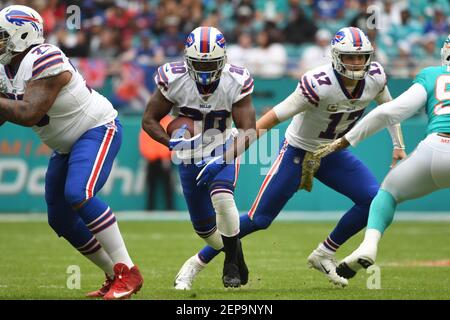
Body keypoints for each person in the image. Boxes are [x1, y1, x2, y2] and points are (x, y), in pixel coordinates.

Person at [174, 27, 406, 289]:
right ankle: (196, 262)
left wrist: (398, 145)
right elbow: (270, 119)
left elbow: (389, 110)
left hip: (332, 152)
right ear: (335, 56)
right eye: (349, 57)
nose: (356, 63)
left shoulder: (375, 78)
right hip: (297, 151)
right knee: (258, 219)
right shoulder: (318, 83)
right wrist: (228, 156)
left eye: (361, 57)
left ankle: (324, 253)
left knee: (373, 200)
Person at [0, 5, 142, 300]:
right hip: (65, 145)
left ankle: (128, 271)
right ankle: (112, 272)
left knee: (80, 193)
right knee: (60, 219)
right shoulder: (5, 68)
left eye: (3, 36)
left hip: (97, 128)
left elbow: (28, 113)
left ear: (23, 34)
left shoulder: (45, 58)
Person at [313, 34, 450, 280]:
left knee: (386, 194)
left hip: (436, 147)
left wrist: (346, 140)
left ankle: (368, 246)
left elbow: (389, 111)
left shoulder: (433, 75)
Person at [142, 26, 256, 288]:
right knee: (204, 230)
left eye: (212, 64)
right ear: (187, 59)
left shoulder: (235, 80)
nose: (204, 72)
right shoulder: (173, 78)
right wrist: (172, 143)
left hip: (222, 144)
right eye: (198, 64)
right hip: (189, 154)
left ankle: (230, 267)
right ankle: (235, 254)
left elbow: (249, 130)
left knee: (223, 197)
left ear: (224, 59)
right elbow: (149, 120)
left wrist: (223, 158)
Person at [139, 115, 174, 211]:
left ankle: (170, 209)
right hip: (152, 160)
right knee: (151, 186)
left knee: (168, 186)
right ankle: (150, 208)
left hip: (165, 160)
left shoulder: (169, 122)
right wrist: (151, 155)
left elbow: (173, 140)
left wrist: (165, 156)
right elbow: (145, 142)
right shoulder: (148, 121)